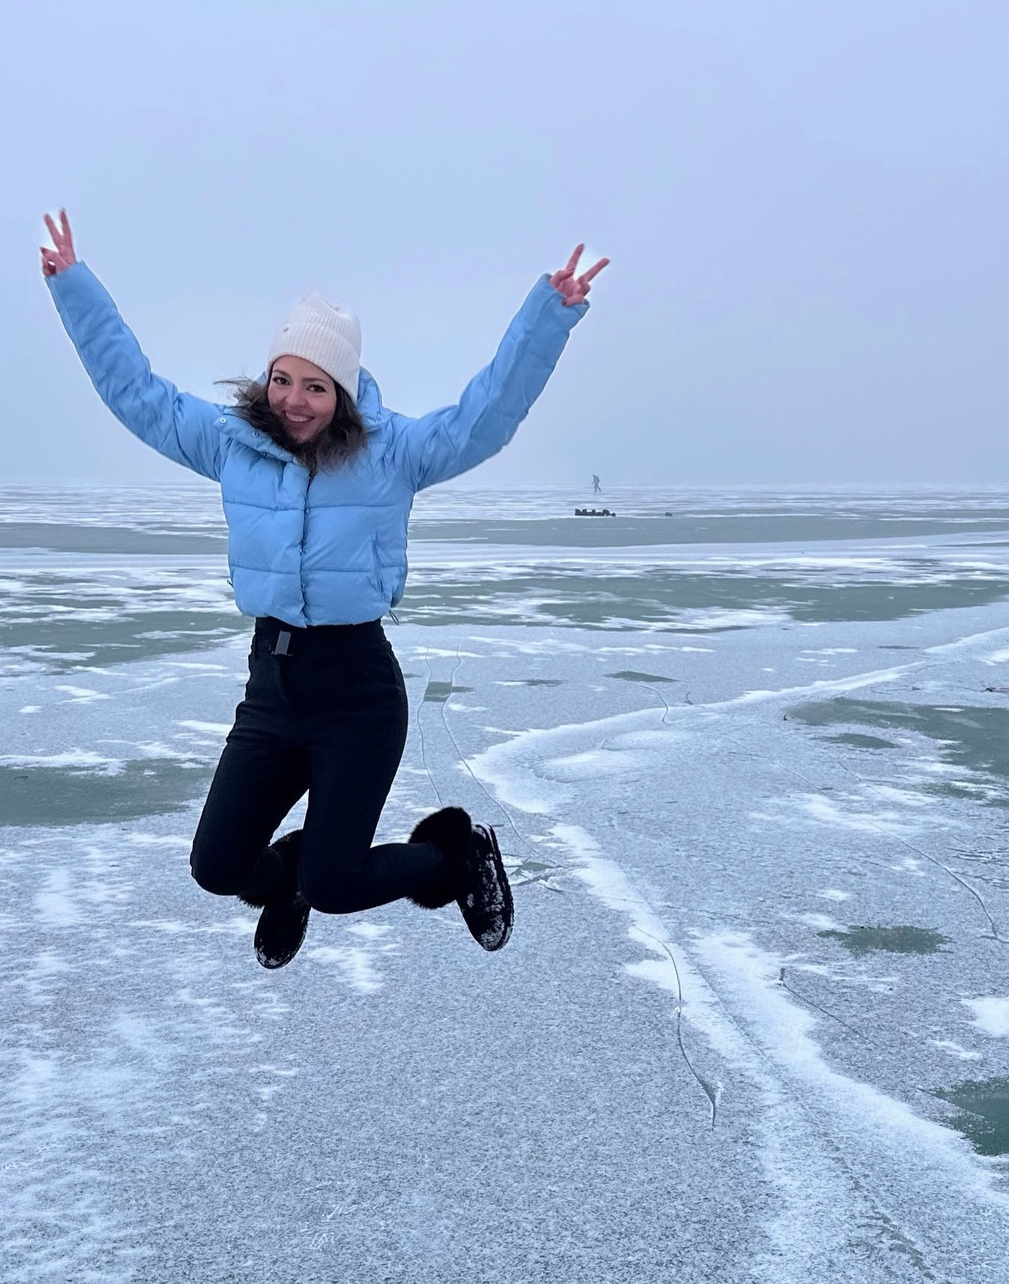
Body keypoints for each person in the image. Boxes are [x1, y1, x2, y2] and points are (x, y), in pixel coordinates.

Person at [40, 211, 607, 969]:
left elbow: (485, 418)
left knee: (338, 883)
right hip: (272, 687)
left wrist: (550, 315)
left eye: (315, 385)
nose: (294, 400)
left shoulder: (393, 453)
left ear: (342, 391)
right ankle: (295, 879)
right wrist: (74, 286)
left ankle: (453, 853)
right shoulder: (230, 444)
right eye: (282, 379)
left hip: (357, 694)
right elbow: (137, 395)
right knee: (219, 867)